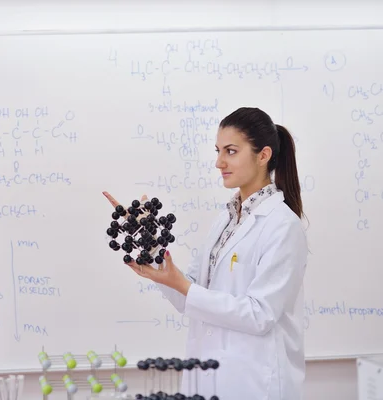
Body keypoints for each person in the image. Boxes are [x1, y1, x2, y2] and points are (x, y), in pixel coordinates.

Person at [103, 107, 308, 399]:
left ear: (263, 156)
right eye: (218, 150)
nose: (219, 162)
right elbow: (194, 298)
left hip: (254, 381)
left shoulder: (282, 225)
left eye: (231, 151)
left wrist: (183, 286)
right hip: (211, 372)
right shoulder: (225, 221)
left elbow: (260, 315)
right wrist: (150, 248)